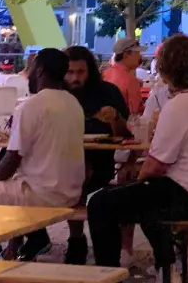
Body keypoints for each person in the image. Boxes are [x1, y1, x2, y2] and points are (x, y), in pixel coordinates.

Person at [87, 35, 188, 281]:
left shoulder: (180, 104)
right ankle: (167, 267)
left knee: (101, 203)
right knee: (148, 200)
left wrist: (135, 184)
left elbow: (154, 166)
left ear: (170, 69)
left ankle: (108, 274)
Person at [0, 48, 85, 220]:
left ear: (39, 70)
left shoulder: (32, 106)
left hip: (41, 195)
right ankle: (23, 243)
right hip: (70, 193)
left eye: (31, 68)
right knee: (5, 185)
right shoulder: (74, 103)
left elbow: (12, 160)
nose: (28, 74)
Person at [61, 46, 131, 265]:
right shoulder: (57, 94)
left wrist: (115, 118)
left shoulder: (107, 93)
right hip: (60, 162)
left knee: (80, 173)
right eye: (70, 72)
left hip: (99, 163)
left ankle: (77, 242)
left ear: (89, 71)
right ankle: (44, 240)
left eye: (80, 72)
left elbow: (125, 134)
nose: (75, 78)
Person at [103, 37, 145, 117]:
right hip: (122, 126)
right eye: (138, 53)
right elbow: (134, 114)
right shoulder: (131, 81)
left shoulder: (104, 74)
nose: (140, 57)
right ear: (127, 55)